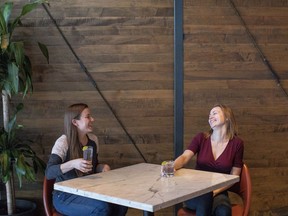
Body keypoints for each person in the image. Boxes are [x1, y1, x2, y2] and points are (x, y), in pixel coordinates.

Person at [45, 103, 128, 216]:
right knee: (101, 208)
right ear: (75, 122)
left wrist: (102, 167)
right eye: (88, 116)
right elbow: (49, 172)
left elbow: (94, 165)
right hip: (64, 196)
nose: (92, 119)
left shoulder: (93, 140)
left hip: (87, 192)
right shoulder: (63, 142)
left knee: (121, 202)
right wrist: (73, 164)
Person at [174, 104, 244, 216]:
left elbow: (235, 176)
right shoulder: (201, 138)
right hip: (196, 191)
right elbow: (184, 157)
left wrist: (215, 191)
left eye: (215, 113)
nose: (210, 117)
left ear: (227, 117)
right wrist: (172, 166)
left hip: (219, 191)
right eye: (209, 115)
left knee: (224, 211)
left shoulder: (237, 144)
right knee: (205, 198)